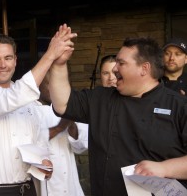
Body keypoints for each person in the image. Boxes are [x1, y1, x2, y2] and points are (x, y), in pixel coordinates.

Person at [48, 36, 187, 196]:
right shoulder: (100, 98)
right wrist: (58, 63)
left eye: (121, 63)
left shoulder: (179, 106)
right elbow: (62, 103)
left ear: (144, 68)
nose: (115, 69)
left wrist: (164, 168)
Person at [0, 24, 77, 196]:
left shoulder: (31, 104)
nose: (3, 65)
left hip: (28, 188)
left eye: (8, 58)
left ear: (15, 60)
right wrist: (49, 56)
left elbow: (36, 143)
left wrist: (41, 164)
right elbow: (11, 98)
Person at [37, 72, 88, 196]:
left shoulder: (70, 107)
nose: (53, 88)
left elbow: (80, 147)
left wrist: (70, 124)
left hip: (69, 185)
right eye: (48, 84)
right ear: (38, 85)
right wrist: (59, 127)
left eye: (56, 84)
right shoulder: (29, 109)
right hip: (45, 184)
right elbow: (30, 141)